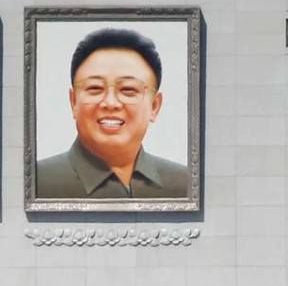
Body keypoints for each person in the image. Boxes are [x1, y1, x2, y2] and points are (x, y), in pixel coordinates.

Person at [36, 28, 189, 199]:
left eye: (128, 89)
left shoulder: (184, 184)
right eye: (95, 88)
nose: (110, 103)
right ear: (73, 102)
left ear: (154, 106)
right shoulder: (37, 183)